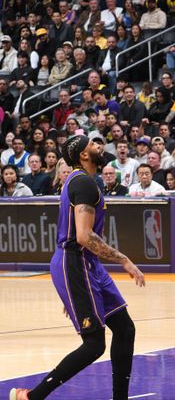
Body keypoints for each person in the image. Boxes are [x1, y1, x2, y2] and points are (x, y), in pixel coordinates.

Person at [8, 136, 144, 400]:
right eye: (93, 145)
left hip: (85, 265)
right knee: (94, 345)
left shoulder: (79, 180)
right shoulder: (83, 182)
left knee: (125, 328)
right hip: (75, 261)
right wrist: (123, 259)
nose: (99, 147)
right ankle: (33, 397)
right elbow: (83, 236)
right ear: (83, 154)